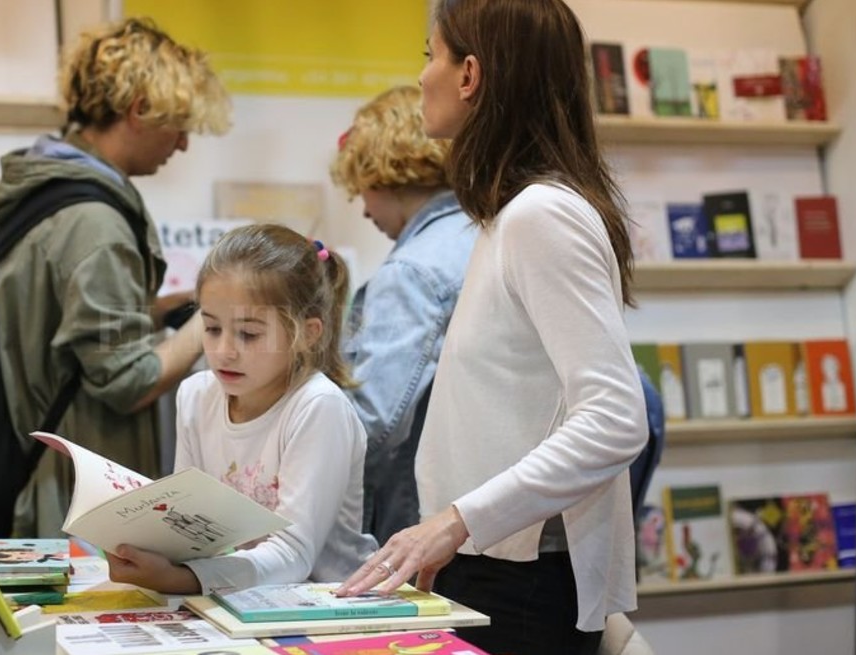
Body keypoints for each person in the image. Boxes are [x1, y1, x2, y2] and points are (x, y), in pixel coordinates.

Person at [337, 1, 649, 653]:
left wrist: (456, 520)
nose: (422, 77)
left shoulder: (542, 214)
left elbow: (617, 415)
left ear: (470, 74)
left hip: (520, 576)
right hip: (492, 563)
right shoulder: (512, 213)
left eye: (431, 57)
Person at [0, 17, 232, 537]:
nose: (184, 144)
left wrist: (163, 311)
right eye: (179, 123)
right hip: (76, 500)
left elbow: (66, 329)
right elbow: (128, 381)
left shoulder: (44, 193)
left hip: (45, 478)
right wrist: (215, 320)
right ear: (140, 110)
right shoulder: (96, 224)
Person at [105, 224, 378, 594]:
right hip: (236, 597)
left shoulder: (317, 407)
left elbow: (294, 554)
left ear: (307, 334)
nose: (224, 351)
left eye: (248, 334)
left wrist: (182, 579)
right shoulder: (196, 396)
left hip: (330, 602)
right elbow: (186, 522)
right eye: (212, 328)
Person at [328, 85, 476, 546]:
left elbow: (373, 420)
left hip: (423, 511)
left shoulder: (413, 271)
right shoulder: (481, 233)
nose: (363, 207)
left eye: (362, 188)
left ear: (383, 172)